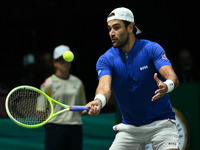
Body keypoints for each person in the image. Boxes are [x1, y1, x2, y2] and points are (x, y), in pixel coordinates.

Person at [83, 7, 180, 150]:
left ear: (130, 27)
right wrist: (98, 101)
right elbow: (104, 87)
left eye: (116, 28)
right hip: (130, 129)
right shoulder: (106, 59)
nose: (111, 33)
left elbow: (172, 77)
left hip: (161, 123)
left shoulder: (152, 49)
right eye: (109, 29)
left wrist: (167, 85)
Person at [40, 45, 86, 150]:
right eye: (61, 60)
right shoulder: (48, 84)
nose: (65, 63)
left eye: (67, 60)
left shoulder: (78, 83)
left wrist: (89, 109)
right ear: (55, 63)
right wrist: (49, 127)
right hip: (55, 128)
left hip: (75, 127)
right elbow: (40, 109)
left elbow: (81, 107)